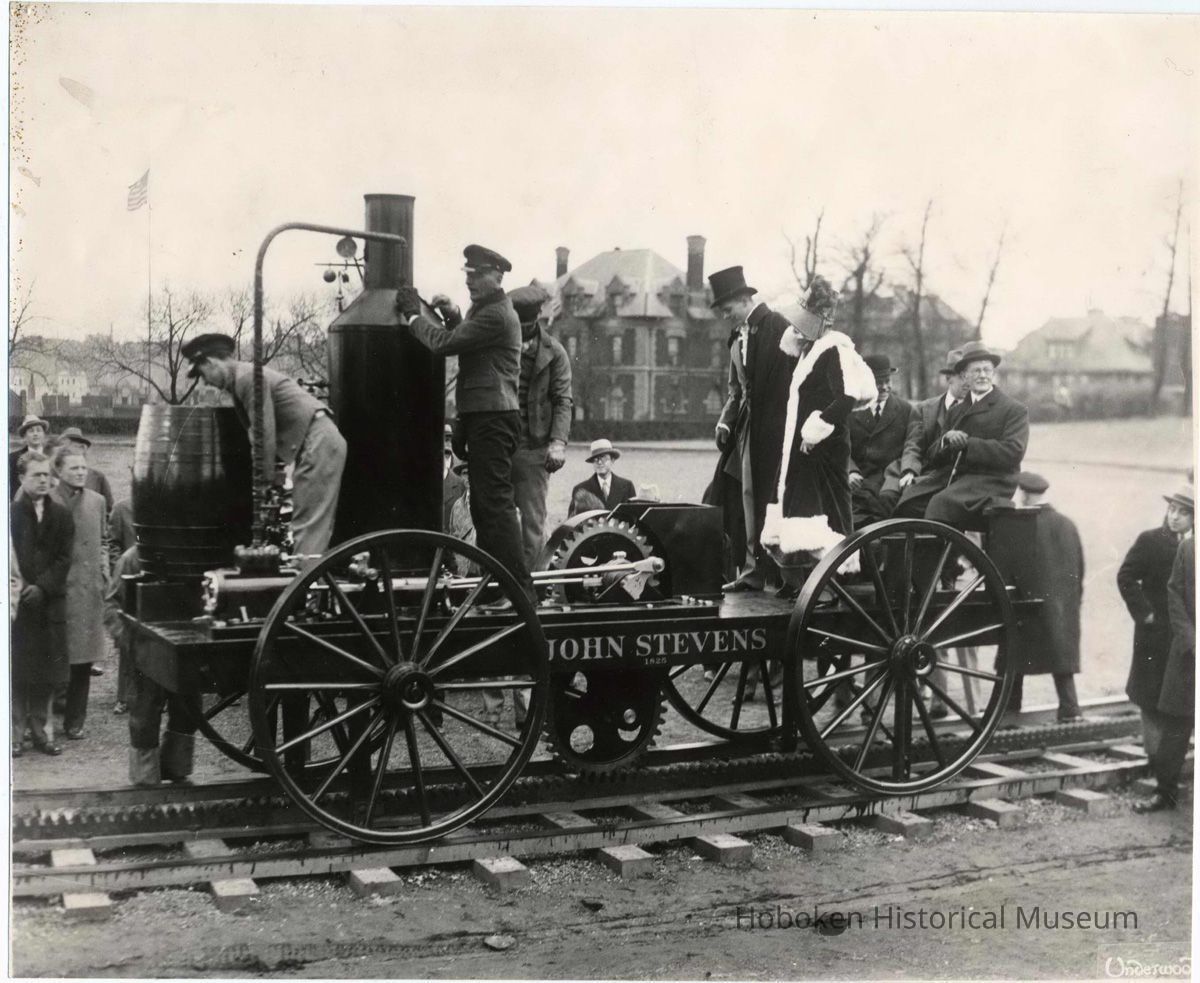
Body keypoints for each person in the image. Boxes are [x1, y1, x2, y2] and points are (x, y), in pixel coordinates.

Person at [396, 245, 532, 600]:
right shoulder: (487, 309)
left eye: (478, 274)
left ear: (498, 277)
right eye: (467, 274)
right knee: (484, 506)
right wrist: (456, 314)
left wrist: (413, 317)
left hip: (493, 419)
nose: (470, 280)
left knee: (495, 506)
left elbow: (444, 344)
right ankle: (498, 588)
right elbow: (474, 343)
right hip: (483, 418)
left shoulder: (497, 315)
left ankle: (519, 592)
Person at [181, 332, 347, 559]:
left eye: (201, 374)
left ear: (210, 362)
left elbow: (262, 436)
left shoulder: (247, 379)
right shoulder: (244, 379)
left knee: (308, 526)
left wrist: (262, 485)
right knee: (310, 524)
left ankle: (304, 590)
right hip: (316, 440)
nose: (204, 382)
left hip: (317, 441)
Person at [760, 276, 875, 599]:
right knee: (800, 510)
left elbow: (847, 397)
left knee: (826, 513)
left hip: (825, 449)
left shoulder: (834, 350)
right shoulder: (809, 351)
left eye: (803, 324)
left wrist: (816, 429)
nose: (797, 330)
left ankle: (832, 584)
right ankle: (807, 584)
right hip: (805, 451)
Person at [709, 266, 797, 592]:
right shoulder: (737, 339)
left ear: (745, 299)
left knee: (776, 501)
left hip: (778, 431)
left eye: (727, 310)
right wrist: (725, 421)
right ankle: (754, 571)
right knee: (749, 501)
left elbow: (794, 382)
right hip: (748, 432)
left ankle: (787, 576)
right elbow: (737, 390)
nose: (724, 317)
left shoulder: (779, 327)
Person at [894, 340, 1029, 530]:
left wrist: (968, 444)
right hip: (958, 478)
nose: (982, 375)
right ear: (965, 376)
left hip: (994, 481)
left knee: (940, 505)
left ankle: (943, 559)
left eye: (986, 370)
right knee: (909, 501)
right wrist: (945, 440)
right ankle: (915, 558)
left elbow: (1013, 452)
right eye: (976, 371)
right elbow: (933, 458)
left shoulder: (1013, 410)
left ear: (994, 373)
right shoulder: (956, 411)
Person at [1118, 484, 1194, 812]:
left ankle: (1167, 770)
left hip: (1182, 640)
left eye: (1183, 513)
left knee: (1176, 705)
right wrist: (1144, 612)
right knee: (1151, 699)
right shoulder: (1150, 540)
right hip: (1154, 636)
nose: (1174, 517)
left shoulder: (1192, 548)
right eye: (1172, 510)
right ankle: (1156, 763)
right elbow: (1125, 577)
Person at [107, 546, 204, 784]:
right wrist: (129, 642)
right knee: (144, 712)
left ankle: (176, 768)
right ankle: (145, 779)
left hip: (183, 648)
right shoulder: (132, 559)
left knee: (188, 708)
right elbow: (112, 606)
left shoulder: (192, 556)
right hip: (145, 651)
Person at [999, 472, 1084, 725]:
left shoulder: (1019, 525)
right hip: (1061, 609)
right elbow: (1079, 570)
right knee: (1061, 660)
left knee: (1015, 658)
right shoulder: (1067, 524)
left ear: (1024, 494)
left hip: (1027, 609)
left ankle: (1009, 712)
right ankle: (1070, 709)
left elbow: (1008, 570)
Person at [11, 451, 74, 757]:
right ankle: (14, 735)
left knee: (46, 676)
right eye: (36, 475)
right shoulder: (9, 514)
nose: (43, 480)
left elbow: (65, 559)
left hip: (48, 606)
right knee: (17, 674)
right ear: (21, 478)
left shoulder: (61, 515)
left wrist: (43, 587)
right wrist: (21, 587)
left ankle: (42, 734)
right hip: (18, 607)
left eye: (47, 474)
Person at [507, 283, 572, 569]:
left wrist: (557, 443)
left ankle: (526, 590)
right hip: (498, 446)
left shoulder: (555, 353)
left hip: (533, 450)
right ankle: (494, 585)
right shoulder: (498, 344)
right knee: (495, 520)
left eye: (525, 326)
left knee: (532, 522)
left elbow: (562, 400)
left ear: (536, 320)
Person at [50, 445, 109, 741]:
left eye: (83, 468)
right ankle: (45, 718)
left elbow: (104, 541)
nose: (80, 472)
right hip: (57, 591)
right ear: (58, 470)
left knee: (84, 660)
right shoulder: (47, 500)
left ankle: (75, 720)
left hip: (88, 591)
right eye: (73, 468)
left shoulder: (97, 501)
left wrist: (104, 573)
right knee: (55, 656)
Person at [1134, 534, 1194, 813]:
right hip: (1187, 653)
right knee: (1175, 724)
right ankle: (1165, 793)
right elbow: (1175, 593)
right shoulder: (1189, 547)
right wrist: (1190, 641)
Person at [847, 354, 913, 525]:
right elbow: (840, 447)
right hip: (858, 482)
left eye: (887, 381)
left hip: (890, 483)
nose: (884, 387)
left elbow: (911, 447)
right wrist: (850, 471)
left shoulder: (905, 410)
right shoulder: (851, 410)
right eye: (878, 382)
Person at [898, 349, 969, 489]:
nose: (967, 382)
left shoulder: (976, 409)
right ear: (948, 378)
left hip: (958, 479)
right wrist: (909, 471)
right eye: (962, 376)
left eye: (969, 377)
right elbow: (914, 445)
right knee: (892, 496)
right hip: (923, 472)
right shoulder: (924, 409)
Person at [569, 439, 636, 516]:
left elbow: (634, 519)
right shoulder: (580, 489)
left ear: (612, 460)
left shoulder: (627, 486)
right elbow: (572, 523)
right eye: (595, 459)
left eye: (603, 458)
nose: (599, 462)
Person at [58, 426, 115, 513]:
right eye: (72, 445)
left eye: (80, 447)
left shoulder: (98, 477)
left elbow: (108, 508)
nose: (78, 450)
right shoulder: (51, 474)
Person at [10, 414, 50, 500]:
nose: (35, 434)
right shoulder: (13, 458)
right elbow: (11, 487)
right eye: (31, 431)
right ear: (24, 436)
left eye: (38, 430)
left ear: (43, 434)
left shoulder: (52, 456)